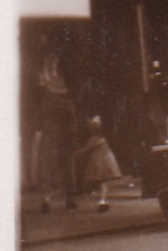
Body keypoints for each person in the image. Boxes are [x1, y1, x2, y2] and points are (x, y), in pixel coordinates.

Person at [31, 60, 78, 214]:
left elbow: (38, 122)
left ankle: (46, 200)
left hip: (48, 139)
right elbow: (72, 123)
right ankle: (69, 199)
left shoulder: (44, 103)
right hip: (65, 139)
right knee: (67, 169)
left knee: (47, 170)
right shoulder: (67, 104)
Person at [74, 116, 122, 213]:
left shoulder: (94, 139)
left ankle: (102, 200)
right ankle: (102, 200)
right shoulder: (102, 138)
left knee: (102, 183)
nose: (90, 130)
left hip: (99, 163)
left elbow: (86, 150)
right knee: (103, 183)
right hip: (105, 161)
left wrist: (77, 153)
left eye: (92, 128)